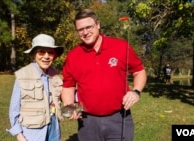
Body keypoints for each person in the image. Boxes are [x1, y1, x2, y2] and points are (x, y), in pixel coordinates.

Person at [61, 9, 147, 141]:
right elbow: (68, 85)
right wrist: (69, 105)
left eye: (89, 27)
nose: (85, 32)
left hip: (119, 117)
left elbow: (139, 71)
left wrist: (136, 91)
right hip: (87, 121)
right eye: (80, 29)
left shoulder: (120, 46)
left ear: (98, 25)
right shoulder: (73, 56)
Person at [7, 34, 64, 141]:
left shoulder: (55, 75)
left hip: (53, 129)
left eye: (50, 52)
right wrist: (19, 134)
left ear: (54, 56)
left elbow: (63, 97)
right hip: (32, 133)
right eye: (41, 52)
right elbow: (14, 108)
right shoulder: (23, 76)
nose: (46, 56)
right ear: (33, 54)